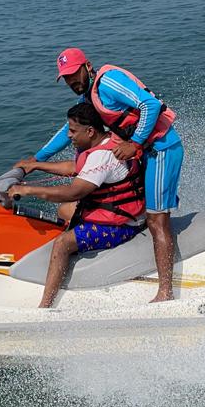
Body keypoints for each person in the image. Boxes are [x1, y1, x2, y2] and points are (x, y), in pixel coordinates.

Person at [19, 48, 184, 303]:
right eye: (65, 78)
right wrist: (36, 160)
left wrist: (136, 143)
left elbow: (150, 105)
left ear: (87, 66)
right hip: (142, 150)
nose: (71, 81)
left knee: (157, 219)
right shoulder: (87, 96)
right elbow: (68, 131)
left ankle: (165, 292)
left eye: (74, 74)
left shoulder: (107, 82)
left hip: (161, 148)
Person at [9, 103, 146, 308]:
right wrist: (35, 165)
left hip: (122, 225)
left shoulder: (102, 156)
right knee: (64, 210)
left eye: (73, 131)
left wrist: (28, 190)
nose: (69, 136)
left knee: (62, 243)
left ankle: (45, 306)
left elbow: (75, 191)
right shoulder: (105, 140)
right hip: (114, 211)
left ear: (90, 131)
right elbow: (75, 167)